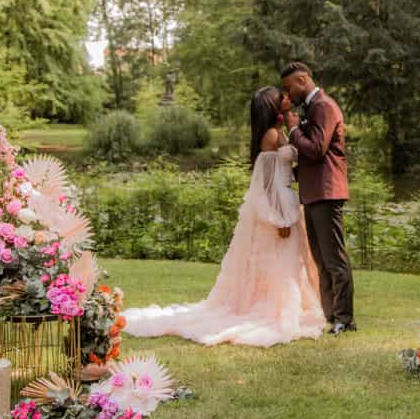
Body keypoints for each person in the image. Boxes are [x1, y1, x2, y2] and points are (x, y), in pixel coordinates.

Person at [122, 86, 324, 347]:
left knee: (286, 260)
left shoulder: (279, 132)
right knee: (279, 261)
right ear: (273, 107)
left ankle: (289, 304)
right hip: (278, 205)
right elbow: (265, 185)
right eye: (281, 97)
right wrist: (278, 218)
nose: (287, 98)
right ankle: (275, 308)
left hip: (287, 198)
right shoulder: (271, 135)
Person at [281, 61, 355, 334]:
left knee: (334, 259)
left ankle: (345, 320)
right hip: (313, 192)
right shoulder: (312, 109)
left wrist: (292, 130)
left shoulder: (324, 106)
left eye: (290, 87)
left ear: (303, 80)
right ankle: (330, 316)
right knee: (320, 259)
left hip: (327, 191)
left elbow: (315, 150)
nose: (289, 94)